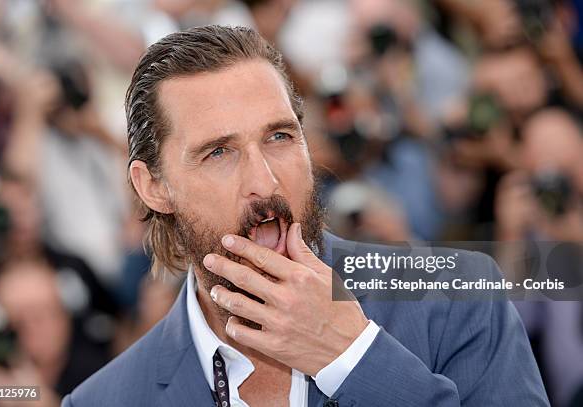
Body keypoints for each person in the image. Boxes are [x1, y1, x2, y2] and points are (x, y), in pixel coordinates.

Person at [63, 25, 549, 406]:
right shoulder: (105, 400)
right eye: (218, 153)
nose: (266, 182)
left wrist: (353, 358)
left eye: (279, 137)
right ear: (154, 188)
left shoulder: (457, 299)